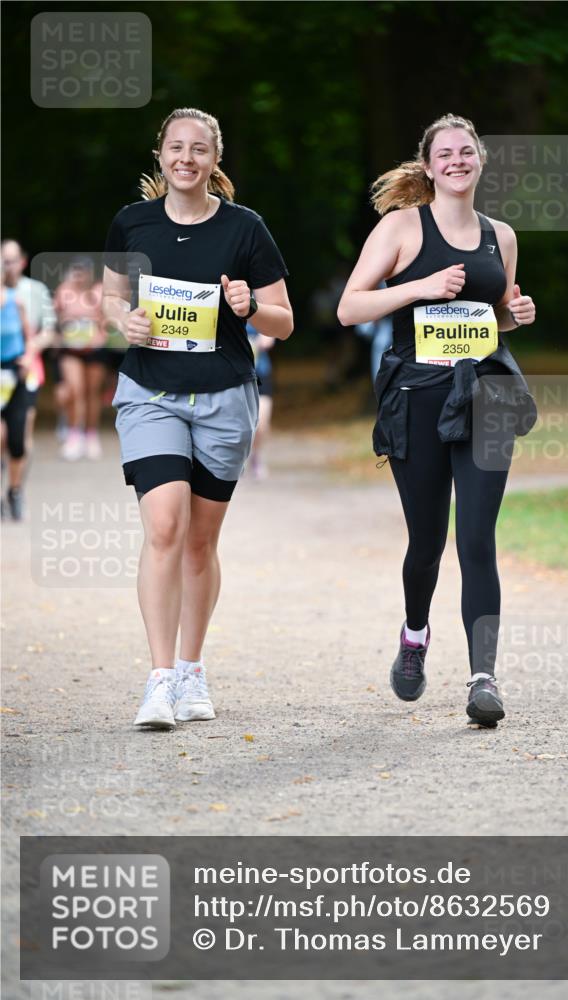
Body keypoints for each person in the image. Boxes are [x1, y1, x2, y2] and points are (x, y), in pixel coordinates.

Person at [338, 113, 536, 727]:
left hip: (483, 395)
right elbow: (350, 307)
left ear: (479, 160)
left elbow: (493, 313)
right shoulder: (401, 227)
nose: (456, 160)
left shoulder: (499, 236)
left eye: (466, 151)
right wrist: (418, 286)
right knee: (427, 542)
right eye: (444, 153)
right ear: (428, 166)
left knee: (476, 538)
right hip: (416, 398)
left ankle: (484, 678)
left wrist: (515, 313)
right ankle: (415, 634)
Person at [102, 107, 292, 731]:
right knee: (164, 525)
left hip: (223, 398)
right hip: (150, 392)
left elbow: (283, 321)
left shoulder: (246, 229)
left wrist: (250, 304)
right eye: (176, 147)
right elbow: (108, 299)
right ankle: (158, 681)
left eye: (199, 149)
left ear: (215, 159)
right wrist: (120, 321)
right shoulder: (131, 223)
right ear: (160, 154)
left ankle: (192, 669)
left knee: (200, 542)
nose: (186, 158)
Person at [1, 240, 56, 460]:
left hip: (28, 366)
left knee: (22, 429)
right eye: (3, 260)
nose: (7, 266)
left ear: (22, 262)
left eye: (11, 261)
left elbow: (49, 330)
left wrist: (32, 349)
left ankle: (16, 488)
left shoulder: (35, 290)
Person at [54, 258, 109, 460]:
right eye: (76, 272)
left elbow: (107, 319)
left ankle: (91, 434)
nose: (80, 276)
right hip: (71, 349)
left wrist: (98, 336)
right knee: (75, 390)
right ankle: (74, 434)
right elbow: (55, 318)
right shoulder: (64, 291)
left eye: (83, 272)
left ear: (90, 274)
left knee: (92, 393)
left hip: (95, 348)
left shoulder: (99, 291)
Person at [1, 266, 35, 520]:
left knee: (16, 440)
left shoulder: (16, 301)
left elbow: (30, 338)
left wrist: (28, 357)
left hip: (15, 375)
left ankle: (14, 491)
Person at [246, 322, 275, 479]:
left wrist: (265, 338)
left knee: (261, 423)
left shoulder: (260, 302)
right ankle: (238, 460)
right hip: (234, 376)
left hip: (260, 373)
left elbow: (271, 334)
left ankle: (256, 455)